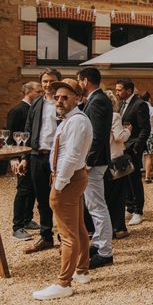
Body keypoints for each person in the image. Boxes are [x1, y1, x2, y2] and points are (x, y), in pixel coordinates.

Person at [32, 78, 93, 300]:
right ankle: (82, 270)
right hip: (72, 178)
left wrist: (58, 184)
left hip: (67, 180)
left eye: (65, 97)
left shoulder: (77, 121)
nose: (59, 100)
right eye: (57, 96)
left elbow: (72, 155)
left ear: (77, 98)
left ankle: (63, 283)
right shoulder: (71, 119)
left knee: (67, 233)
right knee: (77, 226)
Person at [76, 67, 113, 269]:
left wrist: (88, 161)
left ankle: (105, 251)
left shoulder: (97, 101)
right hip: (96, 161)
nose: (78, 83)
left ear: (86, 80)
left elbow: (97, 135)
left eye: (79, 80)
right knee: (94, 205)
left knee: (97, 207)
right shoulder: (96, 99)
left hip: (95, 162)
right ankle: (98, 242)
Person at [22, 68, 62, 254]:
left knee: (61, 198)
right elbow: (28, 130)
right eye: (45, 81)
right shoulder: (37, 103)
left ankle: (65, 237)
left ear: (58, 82)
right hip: (38, 155)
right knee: (42, 198)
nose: (48, 85)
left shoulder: (64, 102)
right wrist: (25, 157)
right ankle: (46, 237)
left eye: (51, 81)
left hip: (59, 156)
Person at [8, 81, 42, 240]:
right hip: (20, 156)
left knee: (32, 189)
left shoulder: (35, 109)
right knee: (23, 190)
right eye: (38, 91)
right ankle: (17, 226)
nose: (41, 93)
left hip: (32, 155)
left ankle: (27, 219)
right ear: (28, 92)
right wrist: (13, 158)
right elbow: (9, 137)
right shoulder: (16, 111)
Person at [115, 79, 150, 226]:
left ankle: (138, 211)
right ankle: (129, 206)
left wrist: (137, 147)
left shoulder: (139, 104)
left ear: (129, 90)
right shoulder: (121, 104)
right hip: (123, 147)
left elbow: (145, 128)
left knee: (135, 180)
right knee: (125, 178)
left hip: (133, 148)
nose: (117, 92)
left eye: (120, 90)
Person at [103, 91, 131, 240]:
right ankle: (119, 227)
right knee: (118, 195)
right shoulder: (114, 116)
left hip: (102, 159)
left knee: (105, 195)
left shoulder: (94, 115)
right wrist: (128, 130)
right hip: (115, 158)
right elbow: (119, 137)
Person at [140, 92, 153, 183]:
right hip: (151, 133)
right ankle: (148, 176)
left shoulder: (139, 108)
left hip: (141, 134)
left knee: (143, 155)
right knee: (149, 156)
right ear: (149, 99)